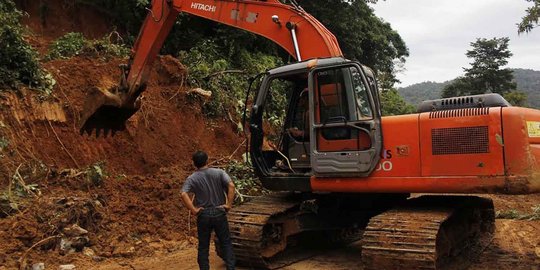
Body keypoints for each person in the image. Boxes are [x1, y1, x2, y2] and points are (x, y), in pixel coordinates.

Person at [181, 151, 236, 270]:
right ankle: (231, 268)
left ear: (194, 163)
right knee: (226, 243)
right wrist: (228, 205)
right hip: (219, 212)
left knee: (203, 246)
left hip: (203, 215)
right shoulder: (219, 172)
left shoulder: (192, 178)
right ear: (207, 160)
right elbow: (231, 186)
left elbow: (183, 193)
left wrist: (194, 210)